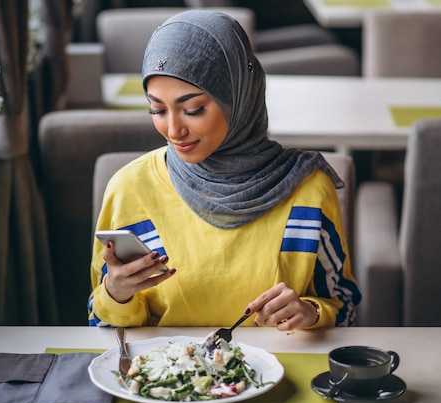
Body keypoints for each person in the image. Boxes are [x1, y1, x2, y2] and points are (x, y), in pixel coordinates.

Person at [87, 10, 361, 330]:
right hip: (167, 377)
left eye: (193, 109)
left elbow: (346, 310)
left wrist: (311, 312)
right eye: (157, 109)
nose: (173, 130)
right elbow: (100, 325)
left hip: (279, 373)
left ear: (239, 96)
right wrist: (115, 295)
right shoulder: (129, 189)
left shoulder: (308, 189)